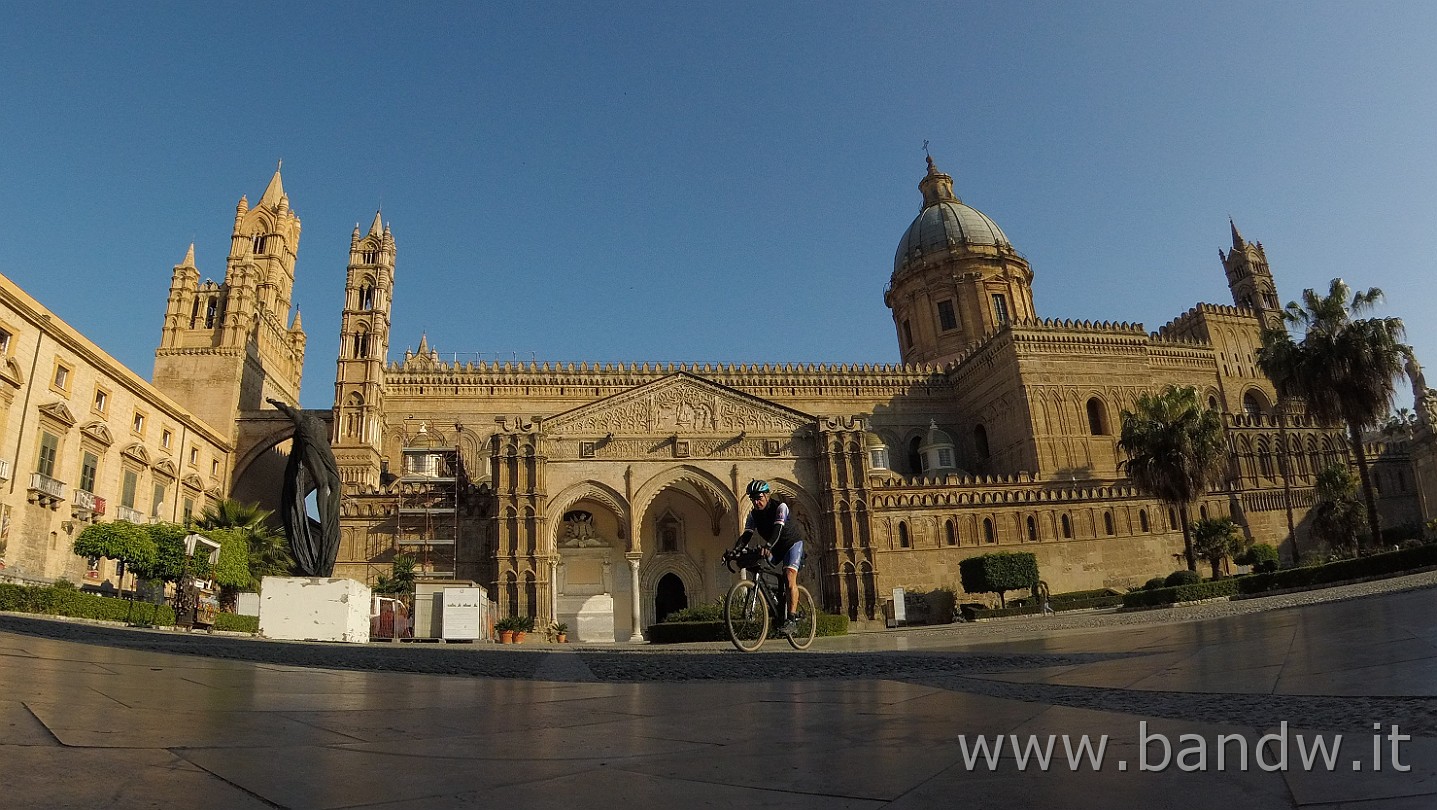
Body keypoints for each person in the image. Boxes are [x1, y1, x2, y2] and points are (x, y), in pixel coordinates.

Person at [742, 479, 806, 635]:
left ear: (767, 496)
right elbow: (746, 535)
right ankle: (776, 604)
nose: (756, 502)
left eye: (759, 498)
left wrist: (768, 546)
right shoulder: (753, 515)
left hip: (791, 544)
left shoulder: (780, 507)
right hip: (775, 547)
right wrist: (734, 551)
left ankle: (791, 620)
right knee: (756, 565)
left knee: (789, 576)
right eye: (753, 499)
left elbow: (777, 530)